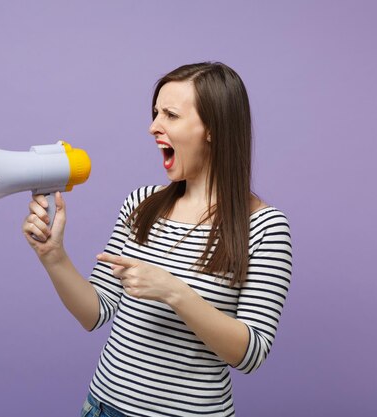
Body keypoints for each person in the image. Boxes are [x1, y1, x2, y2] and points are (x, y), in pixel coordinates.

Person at [22, 62, 293, 417]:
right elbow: (96, 312)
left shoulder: (265, 227)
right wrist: (53, 256)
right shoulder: (141, 204)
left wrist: (173, 291)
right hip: (102, 408)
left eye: (171, 115)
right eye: (155, 113)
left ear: (212, 129)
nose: (153, 127)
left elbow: (251, 353)